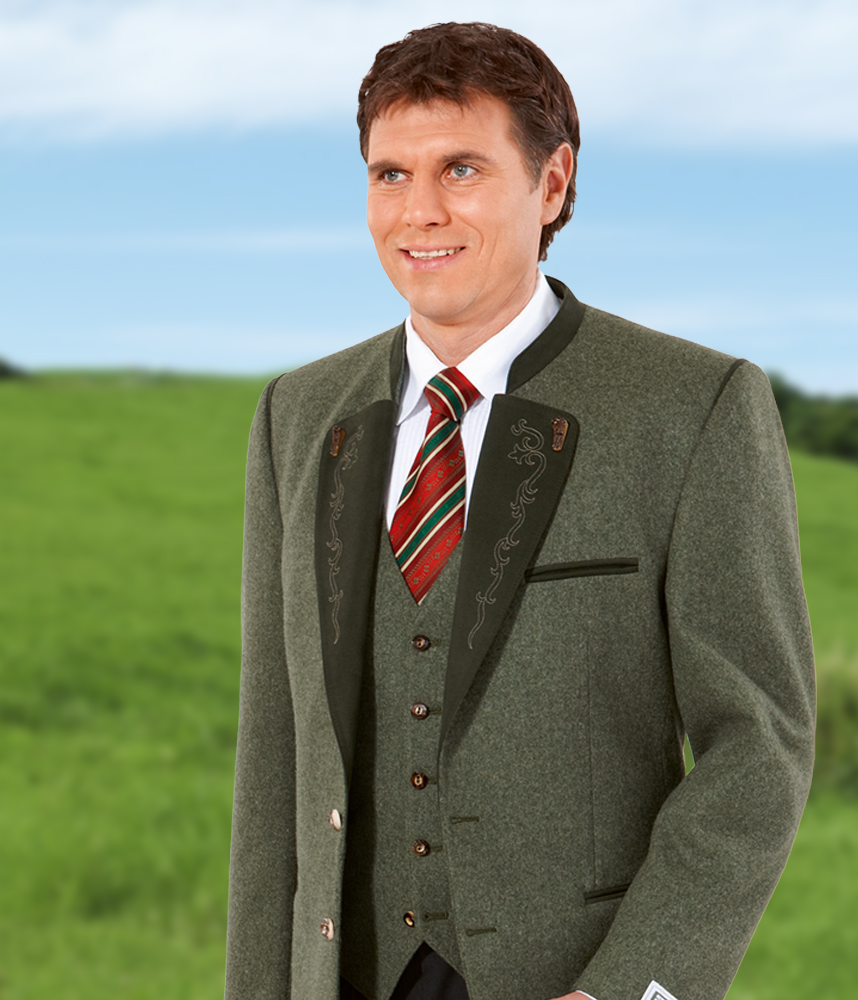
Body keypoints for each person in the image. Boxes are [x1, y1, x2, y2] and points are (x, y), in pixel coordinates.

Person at [224, 21, 815, 1000]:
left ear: (551, 183)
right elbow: (274, 755)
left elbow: (758, 742)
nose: (419, 211)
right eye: (389, 175)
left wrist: (626, 991)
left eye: (460, 169)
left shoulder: (692, 406)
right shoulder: (298, 415)